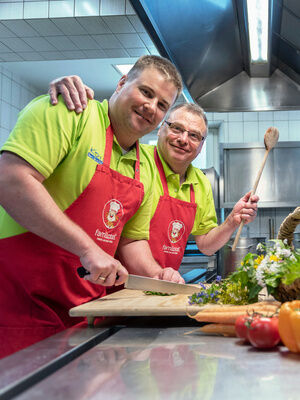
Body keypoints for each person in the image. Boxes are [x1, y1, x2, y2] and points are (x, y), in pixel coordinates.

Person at [0, 55, 184, 358]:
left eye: (163, 105)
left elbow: (132, 240)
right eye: (146, 92)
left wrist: (159, 276)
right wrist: (87, 249)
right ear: (122, 83)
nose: (152, 107)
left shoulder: (147, 167)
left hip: (84, 315)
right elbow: (11, 180)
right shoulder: (69, 111)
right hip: (20, 305)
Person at [49, 78, 259, 274]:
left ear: (201, 145)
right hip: (114, 282)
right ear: (160, 130)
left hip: (159, 289)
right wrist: (72, 90)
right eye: (176, 128)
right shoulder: (134, 159)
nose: (183, 139)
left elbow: (205, 244)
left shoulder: (200, 183)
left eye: (194, 135)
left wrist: (232, 220)